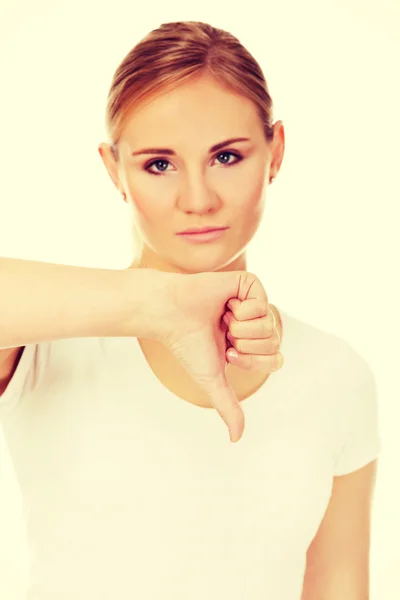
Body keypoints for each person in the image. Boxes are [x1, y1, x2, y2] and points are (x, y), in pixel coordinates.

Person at [0, 20, 380, 600]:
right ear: (113, 170)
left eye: (227, 156)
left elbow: (336, 583)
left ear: (276, 152)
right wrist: (161, 304)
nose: (197, 199)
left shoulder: (335, 372)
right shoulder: (44, 343)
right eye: (159, 164)